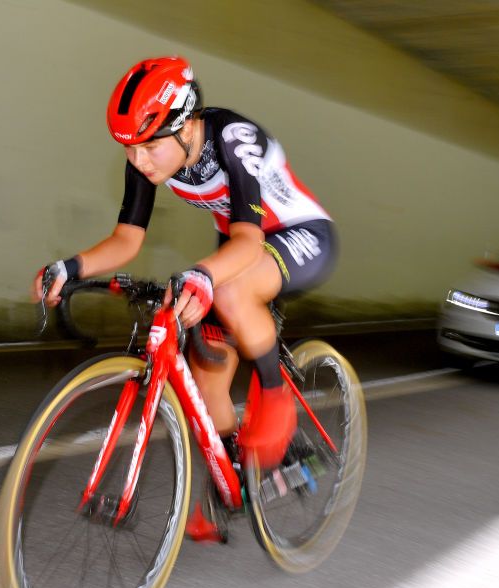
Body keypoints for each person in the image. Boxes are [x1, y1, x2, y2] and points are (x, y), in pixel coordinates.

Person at [33, 56, 337, 540]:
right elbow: (127, 240)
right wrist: (71, 267)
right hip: (240, 247)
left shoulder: (233, 140)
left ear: (186, 126)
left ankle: (277, 403)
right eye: (130, 149)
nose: (138, 161)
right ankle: (232, 482)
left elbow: (248, 241)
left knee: (232, 289)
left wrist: (204, 275)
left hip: (298, 235)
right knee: (206, 371)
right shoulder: (149, 156)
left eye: (149, 146)